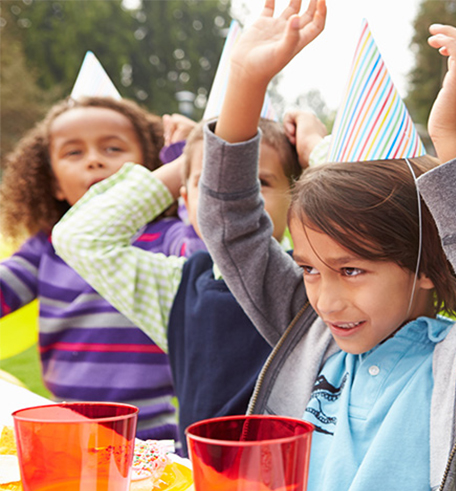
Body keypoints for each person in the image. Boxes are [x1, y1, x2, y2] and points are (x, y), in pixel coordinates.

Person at [197, 0, 456, 491]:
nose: (326, 300)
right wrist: (246, 79)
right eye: (309, 268)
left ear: (426, 263)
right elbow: (231, 229)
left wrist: (454, 142)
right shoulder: (309, 333)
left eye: (352, 270)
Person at [51, 115, 306, 451]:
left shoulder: (312, 281)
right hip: (202, 487)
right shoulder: (178, 286)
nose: (235, 198)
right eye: (214, 183)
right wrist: (196, 154)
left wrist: (317, 151)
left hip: (294, 486)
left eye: (260, 182)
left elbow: (363, 227)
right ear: (185, 200)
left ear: (293, 199)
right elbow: (80, 238)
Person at [0, 96, 201, 440]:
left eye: (112, 148)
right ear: (53, 184)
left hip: (152, 434)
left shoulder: (164, 237)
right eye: (74, 153)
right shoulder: (45, 249)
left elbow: (202, 254)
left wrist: (189, 160)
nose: (93, 160)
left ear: (150, 167)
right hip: (62, 433)